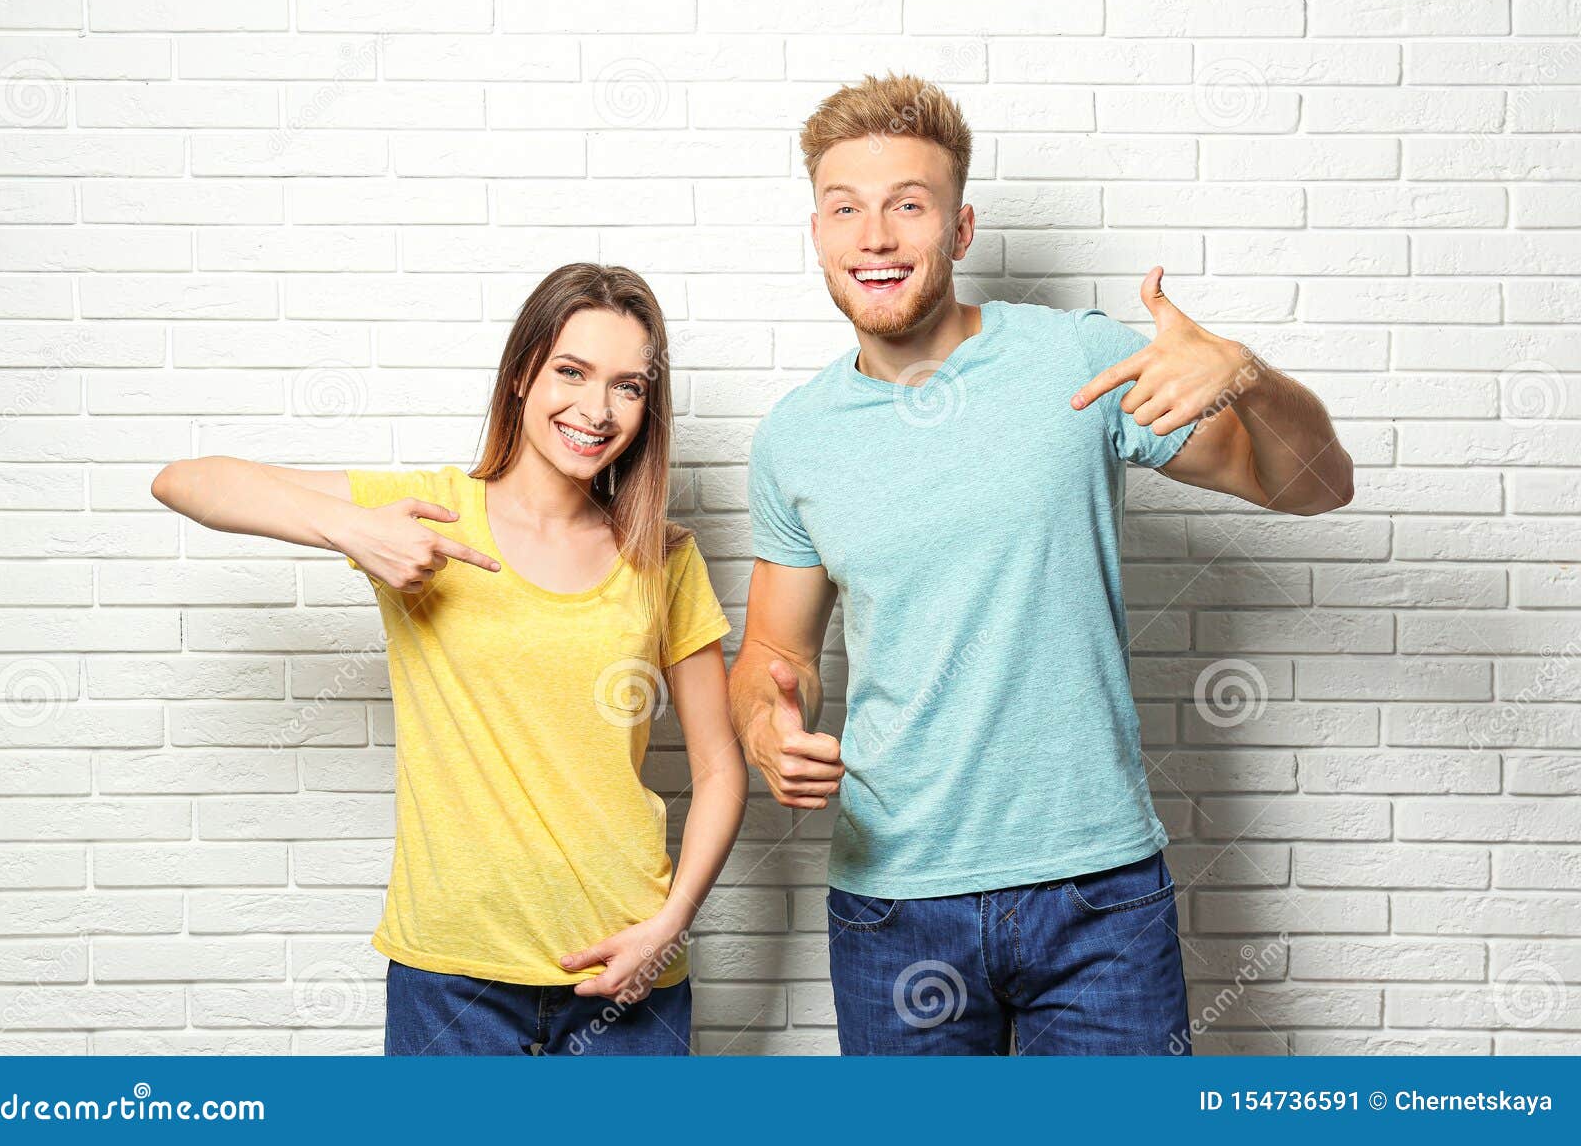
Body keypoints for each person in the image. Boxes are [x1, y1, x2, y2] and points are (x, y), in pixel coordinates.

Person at [728, 74, 1355, 1055]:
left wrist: (1250, 375)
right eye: (846, 208)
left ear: (961, 226)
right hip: (894, 905)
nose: (877, 236)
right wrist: (766, 720)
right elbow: (774, 650)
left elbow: (1316, 484)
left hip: (1097, 892)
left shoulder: (1080, 362)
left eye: (909, 205)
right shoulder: (795, 439)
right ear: (816, 231)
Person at [153, 263, 747, 1055]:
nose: (596, 409)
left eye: (628, 386)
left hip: (625, 969)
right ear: (521, 376)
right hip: (451, 982)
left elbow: (719, 767)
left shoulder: (662, 557)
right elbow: (186, 481)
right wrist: (350, 528)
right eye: (571, 371)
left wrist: (667, 929)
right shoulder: (429, 515)